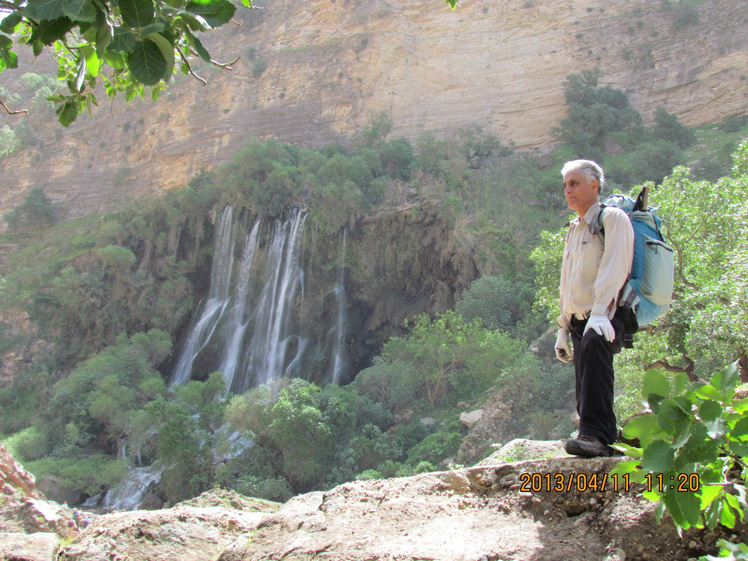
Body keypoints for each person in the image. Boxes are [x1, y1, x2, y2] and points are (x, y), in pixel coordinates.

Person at [555, 159, 634, 458]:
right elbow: (568, 281)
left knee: (594, 358)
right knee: (584, 375)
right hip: (580, 317)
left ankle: (597, 436)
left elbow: (616, 267)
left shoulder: (612, 219)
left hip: (608, 313)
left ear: (594, 186)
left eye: (574, 183)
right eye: (565, 185)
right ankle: (594, 434)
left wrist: (601, 311)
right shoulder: (574, 229)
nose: (568, 190)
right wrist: (563, 327)